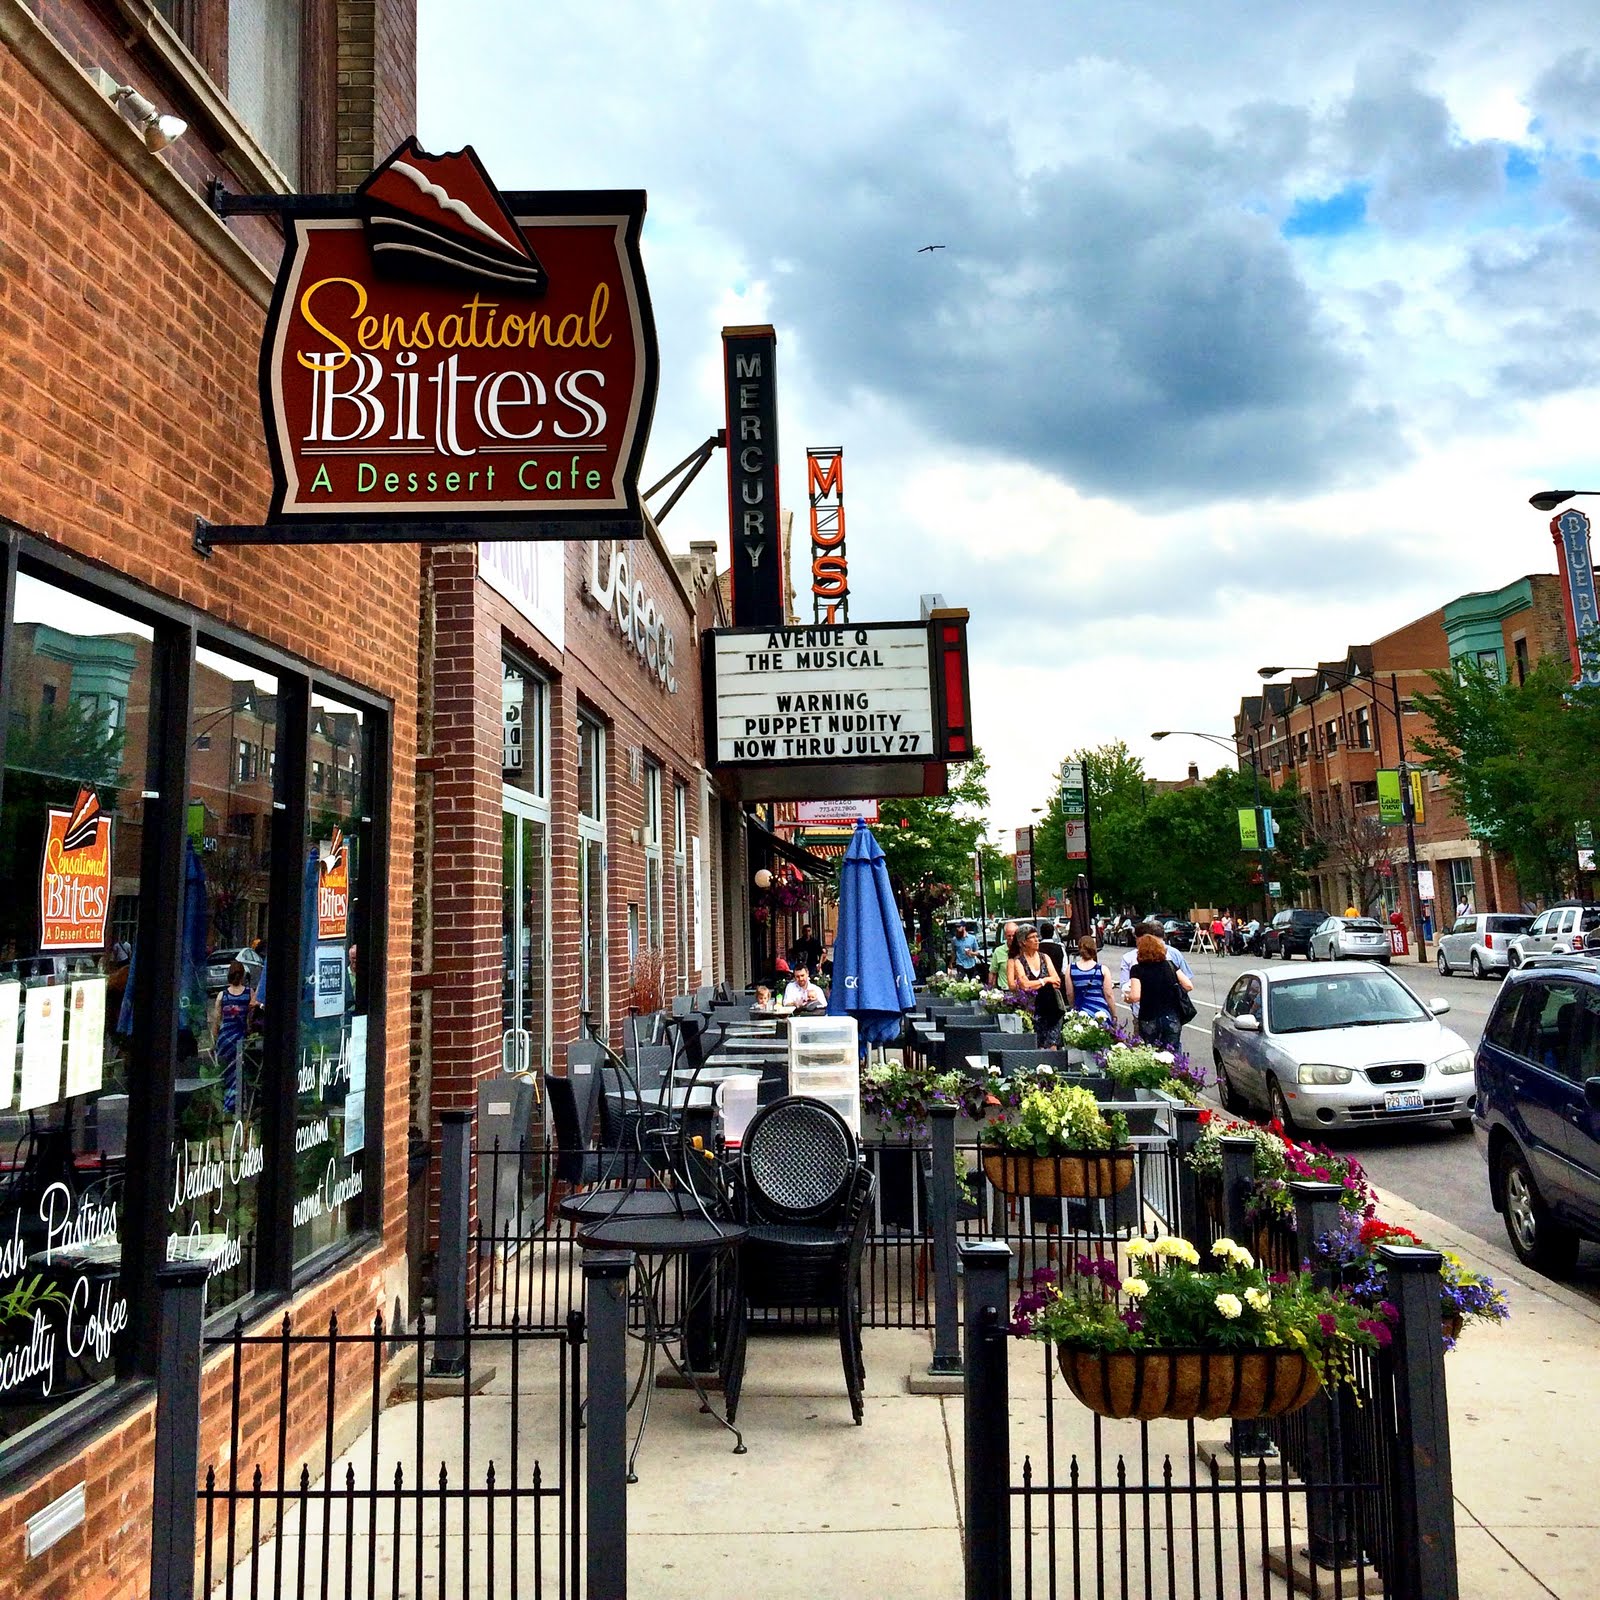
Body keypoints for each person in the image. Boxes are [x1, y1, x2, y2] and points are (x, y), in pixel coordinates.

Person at [1124, 933, 1194, 1050]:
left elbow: (1135, 996)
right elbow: (1188, 986)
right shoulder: (1170, 965)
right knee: (1172, 1051)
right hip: (1171, 1016)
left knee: (1151, 1051)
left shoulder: (1137, 969)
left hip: (1148, 1016)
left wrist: (1127, 998)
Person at [1008, 924, 1070, 1045]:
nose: (1037, 940)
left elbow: (1057, 981)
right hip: (1032, 1010)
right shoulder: (1018, 961)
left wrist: (1035, 984)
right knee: (1036, 1044)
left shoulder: (1045, 957)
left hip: (1052, 1008)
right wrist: (1045, 980)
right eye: (1032, 937)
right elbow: (1025, 985)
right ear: (1023, 942)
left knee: (1053, 1044)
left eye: (1037, 937)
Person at [211, 960, 252, 1114]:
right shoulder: (249, 993)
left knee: (226, 1072)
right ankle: (236, 1104)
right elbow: (250, 1018)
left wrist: (214, 1041)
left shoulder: (222, 995)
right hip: (240, 1038)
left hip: (225, 1039)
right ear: (242, 975)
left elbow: (217, 1020)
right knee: (238, 1072)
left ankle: (226, 1105)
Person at [1067, 935, 1116, 1021]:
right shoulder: (1102, 969)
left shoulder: (1071, 968)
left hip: (1081, 1011)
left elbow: (1069, 993)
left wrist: (1073, 1008)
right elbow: (1109, 995)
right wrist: (1114, 1015)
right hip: (1101, 1012)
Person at [990, 920, 1017, 985]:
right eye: (1009, 936)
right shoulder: (998, 951)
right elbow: (993, 973)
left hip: (1021, 989)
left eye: (1013, 936)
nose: (1011, 938)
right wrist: (991, 988)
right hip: (1004, 988)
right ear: (1005, 936)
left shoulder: (1023, 950)